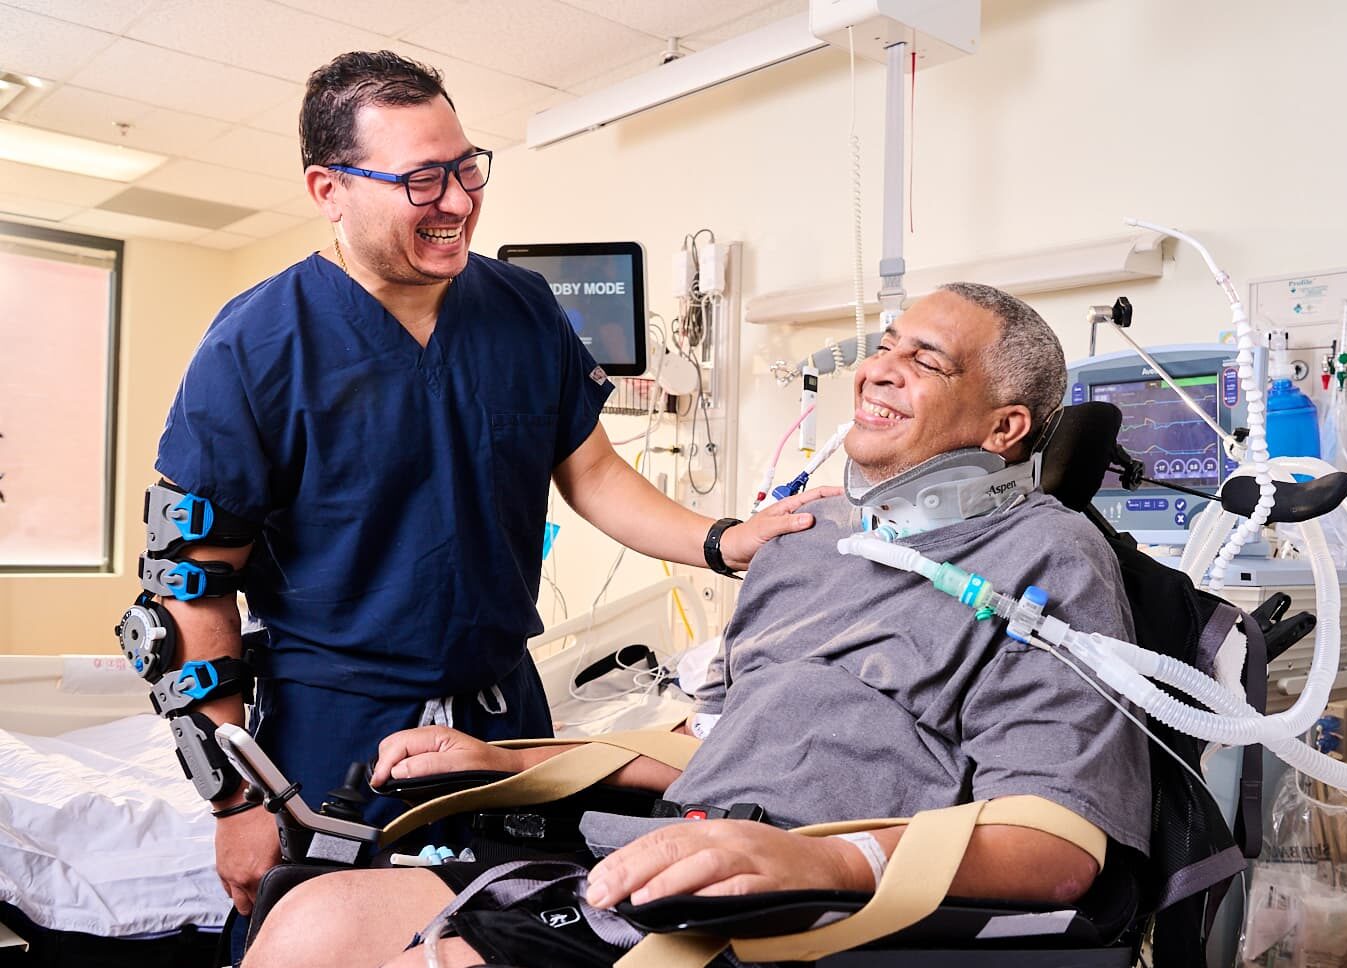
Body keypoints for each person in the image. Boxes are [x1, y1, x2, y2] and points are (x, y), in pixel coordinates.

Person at [242, 282, 1153, 968]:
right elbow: (717, 737)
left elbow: (1057, 845)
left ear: (1005, 428)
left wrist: (824, 861)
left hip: (785, 902)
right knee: (308, 919)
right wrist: (516, 760)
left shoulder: (1048, 558)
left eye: (926, 361)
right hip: (670, 846)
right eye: (885, 345)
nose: (878, 369)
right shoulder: (808, 543)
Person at [140, 49, 830, 929]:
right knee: (329, 939)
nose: (459, 202)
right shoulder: (257, 346)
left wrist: (719, 539)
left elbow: (593, 472)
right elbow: (191, 583)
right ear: (328, 189)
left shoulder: (522, 306)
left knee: (517, 938)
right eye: (424, 179)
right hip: (335, 729)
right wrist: (235, 804)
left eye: (467, 168)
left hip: (505, 715)